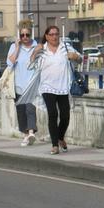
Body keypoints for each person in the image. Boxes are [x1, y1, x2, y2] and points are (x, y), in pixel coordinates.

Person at [32, 25, 82, 155]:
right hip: (46, 87)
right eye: (52, 34)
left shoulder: (65, 47)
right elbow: (31, 64)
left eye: (56, 34)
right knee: (52, 114)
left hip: (64, 87)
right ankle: (55, 145)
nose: (55, 37)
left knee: (65, 116)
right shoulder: (42, 49)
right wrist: (35, 52)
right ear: (47, 36)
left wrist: (75, 57)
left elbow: (80, 59)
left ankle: (60, 137)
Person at [5, 23, 39, 146]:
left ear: (31, 34)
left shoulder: (37, 47)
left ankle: (31, 132)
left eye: (27, 35)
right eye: (22, 35)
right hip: (18, 85)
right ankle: (26, 136)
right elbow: (10, 62)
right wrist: (17, 47)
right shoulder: (14, 47)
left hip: (32, 86)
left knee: (30, 109)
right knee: (21, 112)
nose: (25, 37)